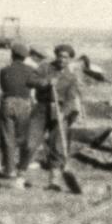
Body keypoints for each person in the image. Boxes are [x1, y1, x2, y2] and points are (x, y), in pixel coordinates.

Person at [31, 44, 84, 191]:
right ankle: (19, 176)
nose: (62, 59)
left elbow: (71, 98)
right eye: (60, 56)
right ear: (56, 56)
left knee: (57, 145)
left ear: (70, 59)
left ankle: (53, 182)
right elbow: (30, 81)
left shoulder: (71, 77)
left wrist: (64, 113)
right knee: (30, 142)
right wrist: (46, 82)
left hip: (59, 110)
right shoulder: (45, 67)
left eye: (65, 57)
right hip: (41, 107)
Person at [0, 42, 45, 185]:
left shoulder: (4, 70)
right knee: (23, 137)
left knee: (7, 137)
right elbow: (36, 85)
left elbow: (3, 86)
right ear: (25, 57)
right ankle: (22, 167)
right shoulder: (31, 70)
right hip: (24, 104)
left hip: (7, 103)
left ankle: (9, 169)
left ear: (12, 55)